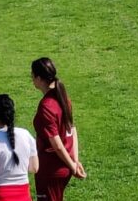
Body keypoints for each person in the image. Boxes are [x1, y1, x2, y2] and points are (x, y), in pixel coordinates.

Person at [32, 58, 86, 201]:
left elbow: (57, 144)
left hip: (51, 170)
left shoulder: (46, 106)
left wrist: (73, 166)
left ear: (38, 78)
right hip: (62, 167)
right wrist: (74, 161)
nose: (31, 80)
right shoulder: (63, 98)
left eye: (32, 76)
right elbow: (72, 130)